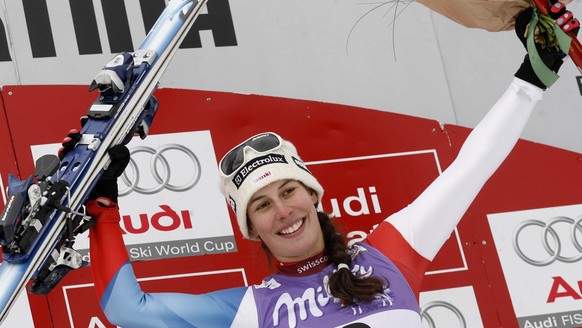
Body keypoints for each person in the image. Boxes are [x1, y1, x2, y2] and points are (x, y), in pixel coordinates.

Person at [74, 3, 578, 328]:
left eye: (288, 192)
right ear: (251, 229)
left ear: (313, 195)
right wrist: (104, 213)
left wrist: (531, 78)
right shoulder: (254, 310)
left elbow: (472, 166)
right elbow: (127, 310)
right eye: (263, 206)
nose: (283, 211)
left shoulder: (390, 253)